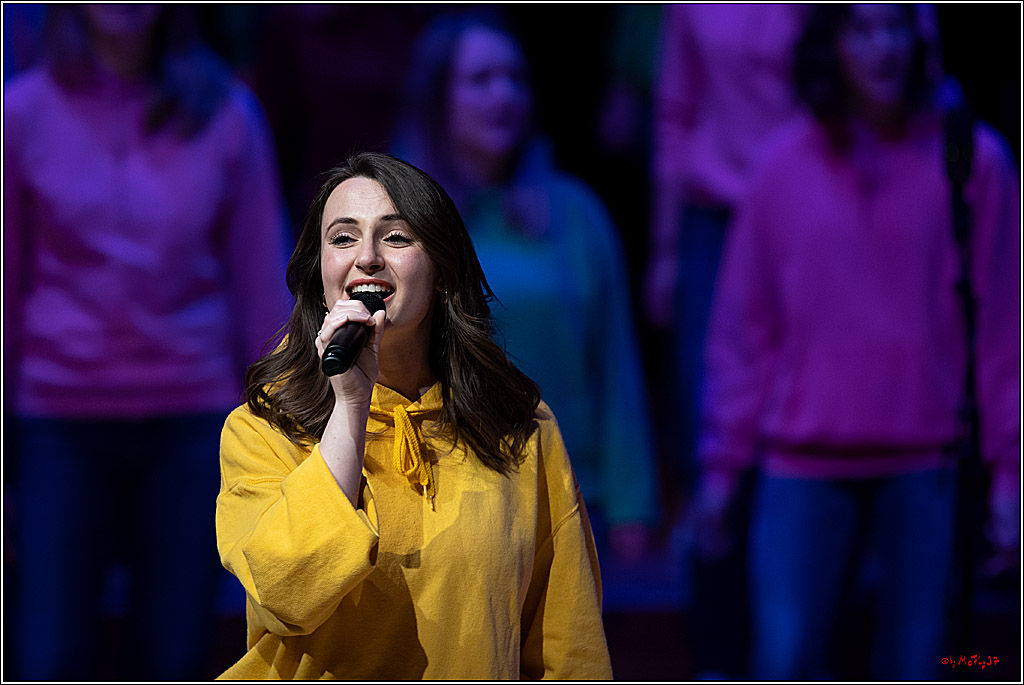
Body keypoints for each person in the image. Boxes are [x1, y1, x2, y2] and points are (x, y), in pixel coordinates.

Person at [691, 4, 1019, 680]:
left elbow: (1001, 331)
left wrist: (1009, 472)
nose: (882, 47)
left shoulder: (972, 159)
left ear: (921, 37)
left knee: (922, 664)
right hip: (801, 461)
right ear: (831, 43)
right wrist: (722, 468)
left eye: (896, 27)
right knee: (784, 662)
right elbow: (745, 330)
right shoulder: (782, 167)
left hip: (927, 462)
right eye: (863, 30)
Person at [215, 151, 614, 679]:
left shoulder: (518, 426)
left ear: (442, 272)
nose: (367, 257)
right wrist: (351, 406)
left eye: (397, 237)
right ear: (320, 274)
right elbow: (287, 593)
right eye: (343, 238)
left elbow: (568, 643)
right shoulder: (263, 429)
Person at [3, 5, 290, 680]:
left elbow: (260, 289)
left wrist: (283, 440)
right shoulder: (22, 113)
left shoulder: (228, 113)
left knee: (177, 657)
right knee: (48, 657)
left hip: (192, 419)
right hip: (57, 419)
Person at [392, 11, 659, 566]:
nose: (504, 95)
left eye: (515, 78)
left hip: (569, 498)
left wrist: (633, 505)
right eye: (481, 80)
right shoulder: (400, 220)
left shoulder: (575, 214)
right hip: (440, 505)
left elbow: (616, 369)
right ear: (439, 98)